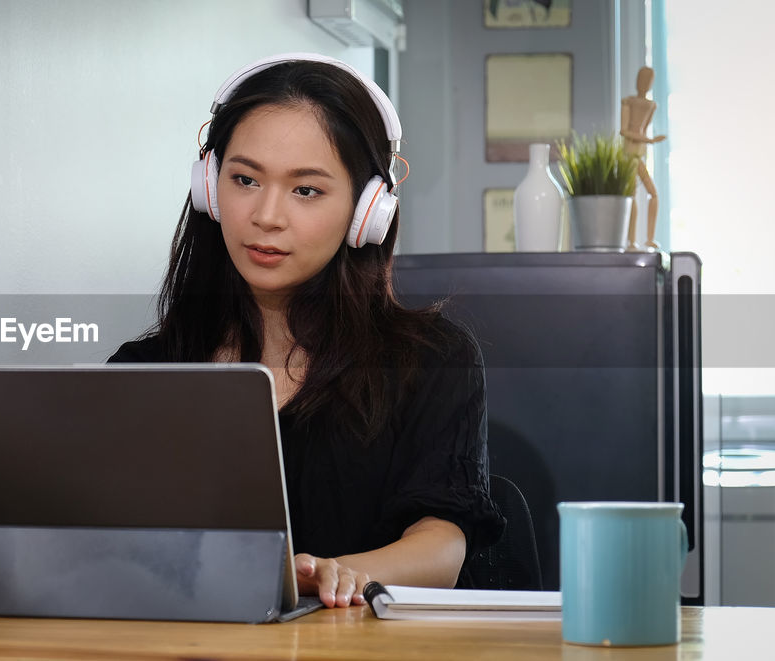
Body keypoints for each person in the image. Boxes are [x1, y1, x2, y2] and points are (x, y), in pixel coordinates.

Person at [108, 54, 504, 609]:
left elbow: (441, 547)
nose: (266, 215)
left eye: (307, 190)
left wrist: (336, 574)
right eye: (244, 179)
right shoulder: (143, 372)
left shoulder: (433, 360)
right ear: (209, 187)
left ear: (367, 210)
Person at [619, 66, 667, 251]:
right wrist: (650, 140)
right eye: (643, 79)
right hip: (630, 155)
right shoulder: (628, 102)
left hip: (639, 155)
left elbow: (643, 128)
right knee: (631, 197)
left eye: (649, 80)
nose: (645, 84)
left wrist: (648, 142)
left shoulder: (651, 105)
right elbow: (624, 131)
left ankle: (649, 238)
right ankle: (631, 241)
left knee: (653, 193)